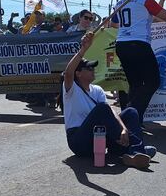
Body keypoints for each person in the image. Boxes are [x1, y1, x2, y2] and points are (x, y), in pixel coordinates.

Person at [63, 32, 155, 169]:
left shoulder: (97, 90)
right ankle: (135, 147)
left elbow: (111, 112)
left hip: (100, 138)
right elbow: (68, 73)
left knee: (131, 112)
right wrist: (83, 49)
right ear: (78, 73)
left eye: (93, 67)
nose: (93, 70)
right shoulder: (71, 89)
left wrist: (124, 129)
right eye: (89, 68)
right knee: (102, 108)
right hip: (79, 142)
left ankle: (134, 153)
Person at [112, 0, 166, 123]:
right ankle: (130, 114)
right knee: (153, 82)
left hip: (121, 44)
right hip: (139, 43)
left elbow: (114, 24)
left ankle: (134, 119)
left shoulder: (120, 2)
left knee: (135, 84)